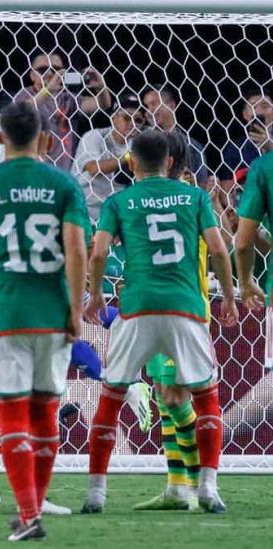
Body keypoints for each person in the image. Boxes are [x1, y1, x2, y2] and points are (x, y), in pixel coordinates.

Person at [0, 101, 88, 541]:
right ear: (46, 139)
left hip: (4, 312)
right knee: (45, 410)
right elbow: (77, 251)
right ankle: (34, 508)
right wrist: (74, 308)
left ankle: (28, 513)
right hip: (52, 311)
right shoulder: (63, 184)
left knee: (10, 411)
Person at [82, 129, 238, 515]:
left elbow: (98, 251)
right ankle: (203, 488)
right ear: (169, 161)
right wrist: (231, 297)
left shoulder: (119, 200)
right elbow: (219, 247)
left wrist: (97, 293)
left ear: (131, 161)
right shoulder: (196, 197)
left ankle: (97, 493)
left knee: (114, 396)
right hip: (186, 307)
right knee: (203, 398)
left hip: (137, 307)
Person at [133, 131, 205, 512]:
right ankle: (177, 486)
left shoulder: (190, 199)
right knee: (165, 397)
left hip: (185, 309)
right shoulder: (172, 198)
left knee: (176, 398)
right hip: (159, 308)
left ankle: (201, 480)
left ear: (169, 163)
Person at [14, 50, 112, 171]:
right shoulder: (25, 95)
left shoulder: (66, 97)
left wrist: (101, 87)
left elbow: (103, 104)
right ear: (32, 75)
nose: (50, 73)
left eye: (56, 69)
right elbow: (19, 112)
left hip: (62, 170)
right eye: (42, 70)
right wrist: (47, 91)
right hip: (34, 169)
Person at [72, 93, 144, 222]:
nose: (133, 123)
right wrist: (127, 157)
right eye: (127, 117)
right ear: (114, 118)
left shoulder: (138, 144)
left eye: (138, 120)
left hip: (113, 214)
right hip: (84, 210)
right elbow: (93, 169)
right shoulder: (94, 136)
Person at [236, 150, 273, 370]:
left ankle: (236, 408)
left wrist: (245, 282)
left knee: (271, 386)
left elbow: (242, 242)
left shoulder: (263, 166)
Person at [142, 85, 208, 186]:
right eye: (147, 106)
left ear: (172, 105)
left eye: (154, 104)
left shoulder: (193, 146)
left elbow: (201, 187)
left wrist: (186, 178)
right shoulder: (141, 142)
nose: (149, 111)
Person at [219, 88, 273, 191]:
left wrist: (270, 146)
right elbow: (227, 191)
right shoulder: (235, 149)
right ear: (245, 114)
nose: (259, 112)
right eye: (253, 106)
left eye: (265, 106)